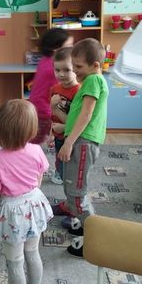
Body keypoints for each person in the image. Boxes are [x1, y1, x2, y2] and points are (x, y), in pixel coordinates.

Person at [0, 99, 53, 284]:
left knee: (15, 262)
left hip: (12, 215)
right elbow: (39, 178)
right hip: (35, 206)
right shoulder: (36, 150)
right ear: (31, 129)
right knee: (33, 252)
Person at [53, 38, 108, 257]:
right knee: (72, 186)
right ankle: (84, 224)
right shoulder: (91, 80)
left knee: (76, 193)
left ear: (95, 65)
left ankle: (96, 236)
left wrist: (68, 142)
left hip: (82, 143)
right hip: (80, 141)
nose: (75, 70)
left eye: (78, 66)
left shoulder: (93, 80)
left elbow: (86, 115)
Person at [28, 28, 73, 151]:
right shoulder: (55, 68)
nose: (72, 49)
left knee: (32, 139)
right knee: (33, 142)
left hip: (36, 107)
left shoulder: (46, 60)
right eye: (69, 46)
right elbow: (62, 90)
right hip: (43, 110)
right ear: (56, 49)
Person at [49, 46, 80, 185]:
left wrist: (65, 127)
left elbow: (79, 120)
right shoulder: (55, 89)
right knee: (59, 155)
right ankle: (60, 172)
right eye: (57, 70)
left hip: (71, 136)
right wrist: (51, 133)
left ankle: (65, 177)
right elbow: (52, 114)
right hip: (58, 133)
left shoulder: (79, 91)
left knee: (70, 158)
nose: (61, 74)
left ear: (76, 69)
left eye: (67, 70)